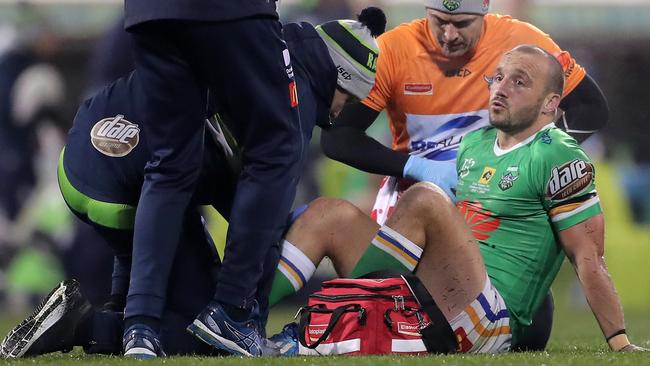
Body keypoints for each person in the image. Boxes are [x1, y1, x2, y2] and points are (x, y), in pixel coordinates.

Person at [0, 9, 387, 359]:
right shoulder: (285, 88)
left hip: (83, 155)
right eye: (349, 98)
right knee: (205, 335)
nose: (343, 111)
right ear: (339, 76)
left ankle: (120, 316)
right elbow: (257, 212)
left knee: (165, 189)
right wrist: (245, 313)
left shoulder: (253, 49)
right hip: (126, 188)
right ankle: (85, 325)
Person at [266, 45, 645, 354]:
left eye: (519, 82)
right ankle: (241, 318)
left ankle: (352, 311)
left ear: (550, 105)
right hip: (432, 292)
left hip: (491, 316)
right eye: (497, 78)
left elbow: (588, 256)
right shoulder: (474, 145)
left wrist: (619, 342)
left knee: (426, 198)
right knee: (329, 214)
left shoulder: (558, 154)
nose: (501, 88)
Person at [120, 0, 306, 358]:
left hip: (148, 13)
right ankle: (231, 310)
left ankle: (140, 326)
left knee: (169, 165)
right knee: (278, 146)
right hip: (229, 10)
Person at [320, 0, 609, 224]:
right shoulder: (394, 50)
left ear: (484, 12)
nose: (449, 35)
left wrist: (528, 162)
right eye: (439, 22)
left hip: (500, 196)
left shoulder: (521, 40)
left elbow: (590, 108)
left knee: (524, 298)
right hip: (417, 197)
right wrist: (419, 168)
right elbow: (338, 137)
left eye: (462, 23)